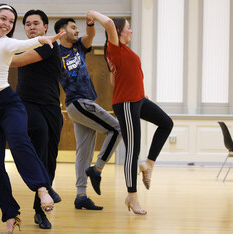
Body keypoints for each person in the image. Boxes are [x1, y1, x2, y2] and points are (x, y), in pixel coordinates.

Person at [0, 3, 64, 233]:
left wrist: (42, 39)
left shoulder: (8, 42)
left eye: (11, 21)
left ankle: (42, 189)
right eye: (3, 19)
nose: (7, 24)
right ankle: (11, 215)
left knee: (19, 142)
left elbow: (24, 44)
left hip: (8, 103)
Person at [88, 10, 173, 215]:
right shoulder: (114, 47)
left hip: (139, 100)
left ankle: (149, 164)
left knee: (166, 123)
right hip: (126, 104)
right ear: (118, 32)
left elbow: (113, 80)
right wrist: (91, 14)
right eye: (128, 28)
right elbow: (108, 22)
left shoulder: (122, 51)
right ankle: (132, 197)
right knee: (132, 151)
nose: (131, 31)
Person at [54, 16, 122, 210]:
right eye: (73, 28)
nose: (77, 31)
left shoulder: (80, 46)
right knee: (117, 129)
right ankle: (97, 169)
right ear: (62, 32)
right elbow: (52, 82)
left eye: (77, 28)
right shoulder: (56, 53)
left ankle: (81, 195)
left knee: (83, 153)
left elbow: (90, 34)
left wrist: (90, 23)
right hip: (78, 102)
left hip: (84, 104)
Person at [10, 9, 62, 230]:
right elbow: (17, 60)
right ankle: (42, 189)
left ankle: (40, 210)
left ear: (45, 28)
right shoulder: (23, 45)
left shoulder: (49, 45)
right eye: (28, 24)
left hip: (51, 106)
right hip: (27, 104)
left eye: (36, 23)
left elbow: (18, 61)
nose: (32, 27)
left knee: (50, 158)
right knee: (39, 134)